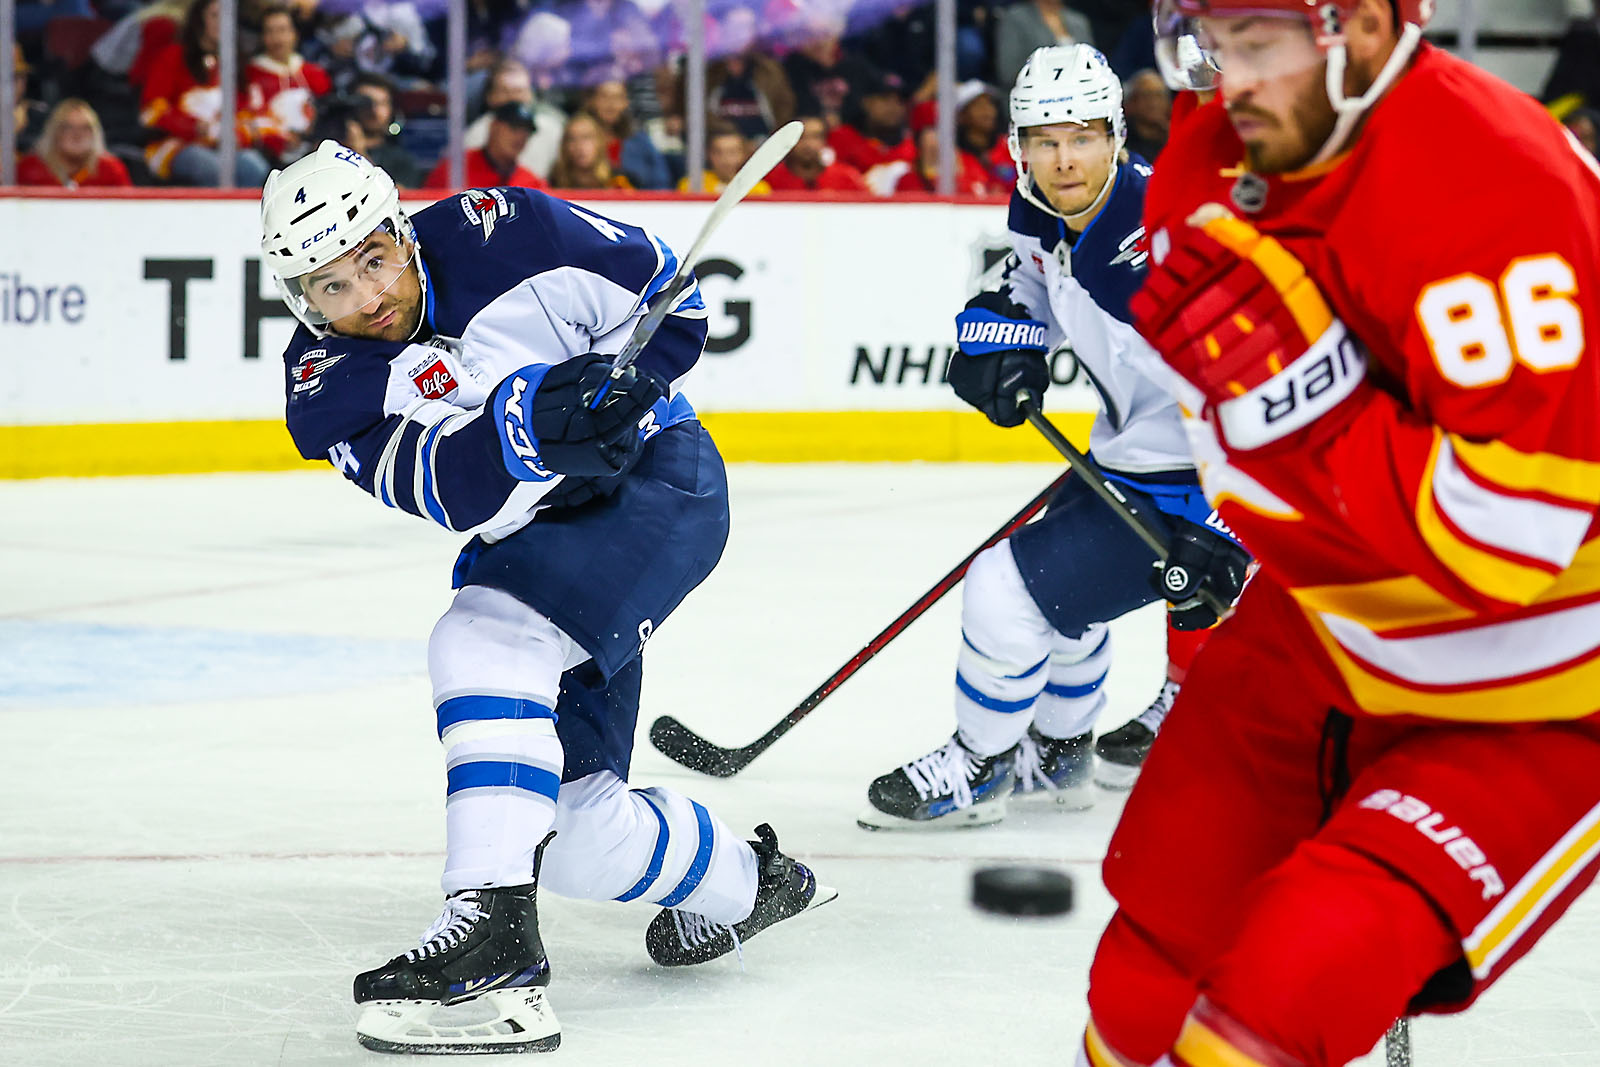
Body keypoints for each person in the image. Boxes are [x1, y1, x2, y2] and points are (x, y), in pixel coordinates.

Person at [1078, 2, 1600, 1064]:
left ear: (1359, 25)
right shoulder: (1208, 163)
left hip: (1543, 679)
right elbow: (1230, 424)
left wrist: (1313, 416)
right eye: (1211, 47)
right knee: (1139, 989)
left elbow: (1514, 536)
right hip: (1319, 629)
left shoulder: (1500, 180)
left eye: (1256, 45)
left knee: (1271, 1005)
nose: (1230, 80)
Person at [260, 141, 836, 1053]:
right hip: (533, 539)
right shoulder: (329, 389)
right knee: (575, 838)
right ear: (303, 302)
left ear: (402, 234)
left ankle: (492, 937)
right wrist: (531, 419)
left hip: (658, 482)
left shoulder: (511, 232)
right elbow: (446, 486)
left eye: (372, 259)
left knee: (482, 643)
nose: (366, 299)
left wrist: (631, 386)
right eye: (331, 287)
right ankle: (747, 883)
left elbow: (672, 301)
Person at [857, 44, 1248, 832]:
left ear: (1116, 139)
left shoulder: (1158, 243)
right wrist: (1003, 340)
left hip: (1195, 487)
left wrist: (1229, 526)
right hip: (1129, 457)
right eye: (1043, 140)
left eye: (1081, 137)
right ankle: (1060, 755)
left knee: (1005, 589)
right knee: (1062, 605)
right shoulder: (1047, 203)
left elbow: (1255, 384)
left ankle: (979, 765)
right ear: (1019, 148)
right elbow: (1028, 273)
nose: (1063, 159)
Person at [140, 0, 273, 186]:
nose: (223, 22)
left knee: (254, 166)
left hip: (227, 147)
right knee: (211, 167)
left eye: (228, 17)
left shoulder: (238, 63)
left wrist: (239, 134)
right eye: (215, 15)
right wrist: (195, 127)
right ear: (199, 20)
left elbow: (250, 113)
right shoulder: (173, 56)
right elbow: (151, 112)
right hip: (176, 145)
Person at [245, 3, 333, 164]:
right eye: (270, 31)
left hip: (314, 152)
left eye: (282, 30)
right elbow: (251, 120)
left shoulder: (314, 73)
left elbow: (328, 114)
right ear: (262, 37)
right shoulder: (251, 74)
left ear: (295, 34)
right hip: (269, 156)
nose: (277, 38)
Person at [463, 57, 565, 180]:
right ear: (490, 97)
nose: (513, 98)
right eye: (504, 91)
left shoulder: (552, 129)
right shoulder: (475, 133)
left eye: (519, 91)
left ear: (530, 95)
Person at [423, 101, 547, 190]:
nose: (520, 137)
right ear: (493, 126)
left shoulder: (532, 182)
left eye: (527, 132)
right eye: (514, 128)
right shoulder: (456, 169)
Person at [17, 99, 133, 189]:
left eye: (85, 128)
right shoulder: (30, 168)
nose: (77, 135)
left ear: (95, 134)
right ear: (55, 132)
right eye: (68, 127)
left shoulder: (111, 169)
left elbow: (127, 212)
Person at [583, 79, 671, 189]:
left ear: (626, 102)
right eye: (604, 97)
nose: (611, 104)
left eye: (617, 98)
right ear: (592, 100)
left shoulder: (640, 141)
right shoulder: (579, 138)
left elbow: (660, 184)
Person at [349, 71, 421, 186]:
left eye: (382, 103)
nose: (374, 110)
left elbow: (401, 198)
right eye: (365, 102)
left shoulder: (401, 160)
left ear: (392, 109)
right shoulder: (330, 150)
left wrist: (359, 151)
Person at [765, 113, 868, 193]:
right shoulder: (771, 179)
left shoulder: (847, 177)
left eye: (816, 137)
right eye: (801, 137)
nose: (808, 144)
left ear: (825, 140)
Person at [678, 119, 771, 194]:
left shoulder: (758, 189)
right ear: (709, 154)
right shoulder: (692, 185)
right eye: (718, 152)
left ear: (743, 154)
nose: (725, 159)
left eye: (732, 152)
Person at [548, 111, 631, 189]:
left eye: (586, 137)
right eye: (572, 139)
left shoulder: (618, 181)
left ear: (600, 142)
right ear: (564, 146)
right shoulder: (554, 182)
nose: (579, 146)